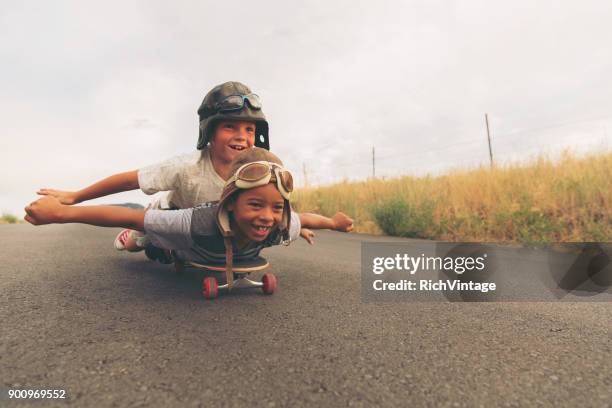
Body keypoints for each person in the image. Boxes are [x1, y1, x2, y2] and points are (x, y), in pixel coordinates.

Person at [36, 81, 351, 254]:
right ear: (209, 131)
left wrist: (294, 223)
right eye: (231, 127)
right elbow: (129, 181)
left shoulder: (259, 168)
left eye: (250, 130)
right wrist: (73, 198)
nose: (242, 137)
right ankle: (134, 239)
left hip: (220, 224)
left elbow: (278, 207)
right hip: (175, 213)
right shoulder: (185, 166)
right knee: (146, 235)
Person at [26, 148, 351, 287]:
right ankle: (136, 244)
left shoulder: (279, 225)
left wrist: (333, 223)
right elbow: (129, 216)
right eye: (255, 205)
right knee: (150, 241)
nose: (267, 217)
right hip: (180, 237)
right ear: (231, 203)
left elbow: (305, 217)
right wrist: (61, 213)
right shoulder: (200, 222)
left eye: (276, 207)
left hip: (216, 252)